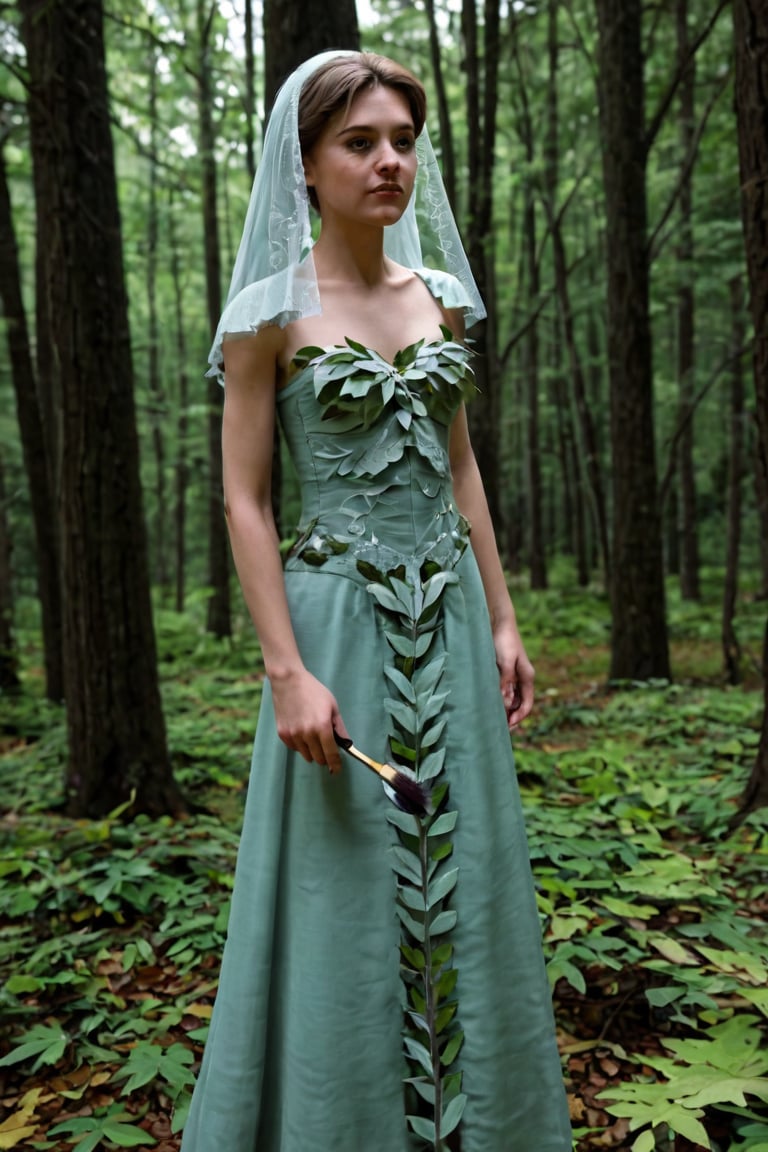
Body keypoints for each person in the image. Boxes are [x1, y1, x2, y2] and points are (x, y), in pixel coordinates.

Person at [180, 50, 572, 1152]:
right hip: (333, 630)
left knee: (464, 861)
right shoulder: (270, 313)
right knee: (342, 882)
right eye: (360, 142)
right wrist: (285, 668)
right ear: (304, 165)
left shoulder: (438, 299)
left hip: (446, 624)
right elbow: (245, 500)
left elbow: (460, 470)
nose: (389, 160)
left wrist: (502, 616)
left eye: (403, 138)